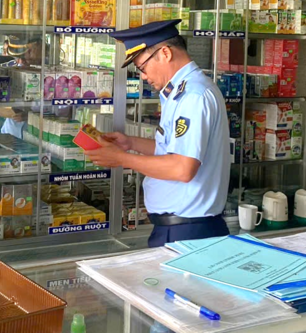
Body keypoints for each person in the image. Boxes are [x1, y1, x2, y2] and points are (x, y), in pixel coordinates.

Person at [86, 19, 230, 248]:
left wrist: (121, 159)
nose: (143, 75)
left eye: (142, 67)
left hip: (188, 232)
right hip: (181, 229)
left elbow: (182, 168)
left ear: (165, 53)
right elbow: (172, 149)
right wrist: (130, 143)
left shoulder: (192, 96)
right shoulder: (180, 92)